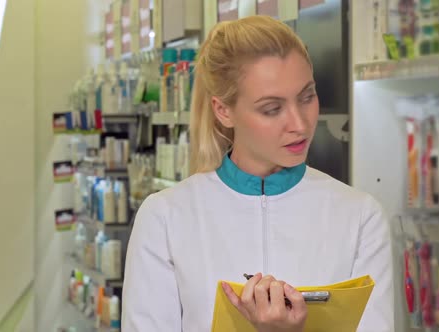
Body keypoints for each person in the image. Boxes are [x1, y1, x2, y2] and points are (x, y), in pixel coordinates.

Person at [122, 15, 393, 331]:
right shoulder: (165, 218)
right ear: (223, 110)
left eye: (307, 97)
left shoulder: (360, 216)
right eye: (272, 109)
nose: (300, 124)